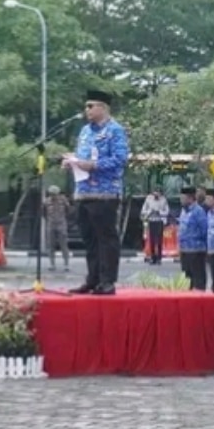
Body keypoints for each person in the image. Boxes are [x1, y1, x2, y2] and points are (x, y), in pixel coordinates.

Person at [65, 89, 130, 295]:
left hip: (105, 192)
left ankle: (107, 281)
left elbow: (120, 160)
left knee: (106, 238)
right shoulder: (85, 131)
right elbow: (82, 156)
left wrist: (91, 165)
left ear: (103, 107)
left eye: (91, 106)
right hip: (83, 191)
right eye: (86, 106)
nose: (87, 110)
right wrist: (72, 162)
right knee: (89, 238)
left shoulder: (115, 130)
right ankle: (92, 279)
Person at [177, 187, 208, 290]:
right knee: (186, 279)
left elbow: (204, 229)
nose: (181, 200)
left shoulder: (198, 211)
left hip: (196, 250)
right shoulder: (183, 211)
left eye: (183, 198)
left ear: (190, 198)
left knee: (198, 279)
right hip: (184, 250)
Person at [43, 186, 72, 272]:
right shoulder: (46, 201)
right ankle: (52, 264)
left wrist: (63, 218)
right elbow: (44, 213)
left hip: (61, 224)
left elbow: (69, 210)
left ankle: (66, 264)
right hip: (51, 224)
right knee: (51, 245)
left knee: (64, 245)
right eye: (51, 194)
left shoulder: (63, 200)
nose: (53, 196)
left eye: (54, 194)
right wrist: (49, 220)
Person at [140, 188, 170, 265]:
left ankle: (159, 258)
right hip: (151, 220)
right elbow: (143, 210)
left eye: (158, 192)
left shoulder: (163, 200)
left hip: (159, 221)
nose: (156, 194)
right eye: (155, 192)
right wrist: (150, 211)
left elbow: (167, 211)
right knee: (152, 240)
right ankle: (153, 257)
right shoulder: (148, 199)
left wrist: (159, 212)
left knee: (159, 240)